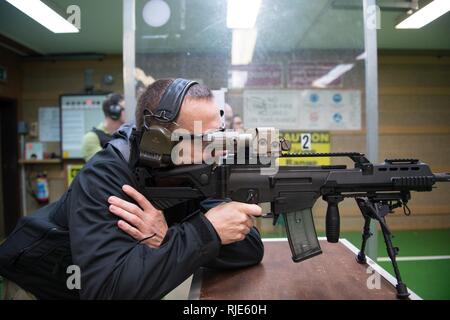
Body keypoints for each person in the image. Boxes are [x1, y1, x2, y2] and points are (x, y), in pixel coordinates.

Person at [0, 79, 264, 300]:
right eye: (206, 139)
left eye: (219, 134)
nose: (218, 148)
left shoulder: (197, 169)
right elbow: (105, 290)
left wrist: (171, 237)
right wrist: (204, 232)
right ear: (159, 143)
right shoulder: (105, 176)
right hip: (43, 283)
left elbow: (250, 249)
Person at [80, 93, 125, 162]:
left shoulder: (125, 135)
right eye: (125, 109)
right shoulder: (91, 138)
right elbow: (104, 165)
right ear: (114, 111)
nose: (129, 112)